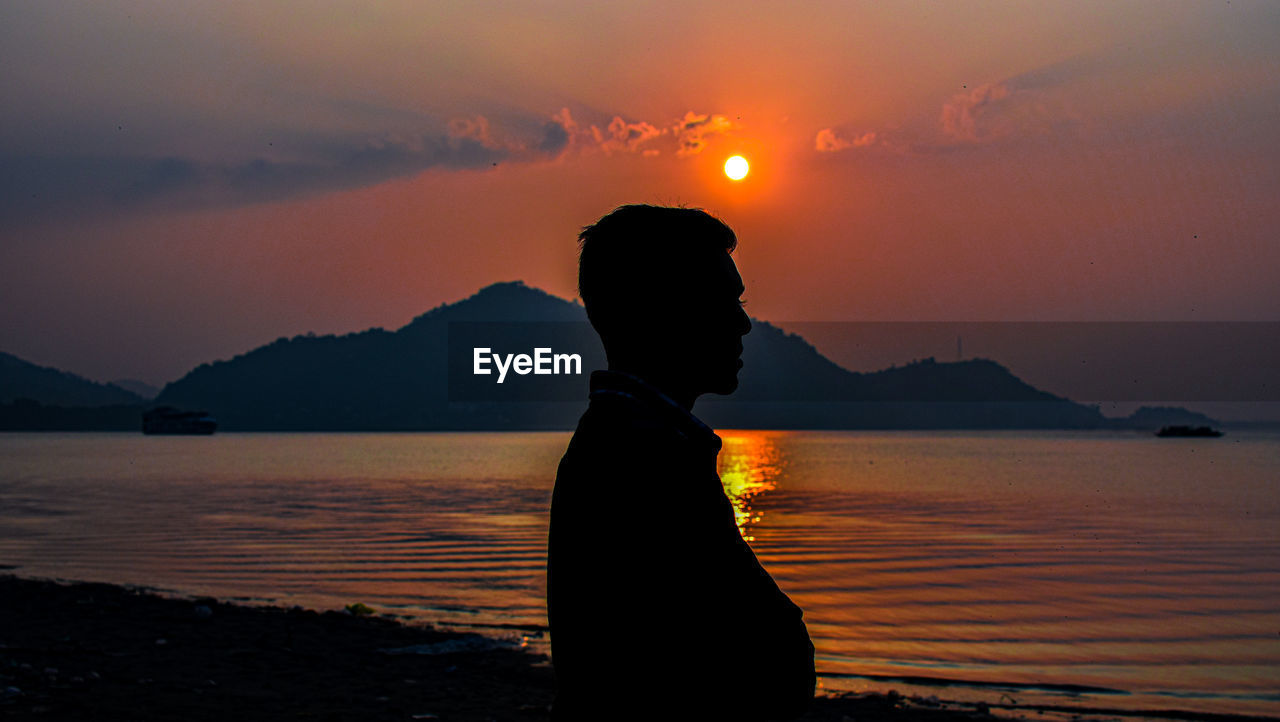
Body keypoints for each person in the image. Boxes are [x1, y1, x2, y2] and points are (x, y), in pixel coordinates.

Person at [547, 205, 815, 720]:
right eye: (721, 300)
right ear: (659, 311)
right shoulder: (637, 460)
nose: (743, 322)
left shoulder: (646, 445)